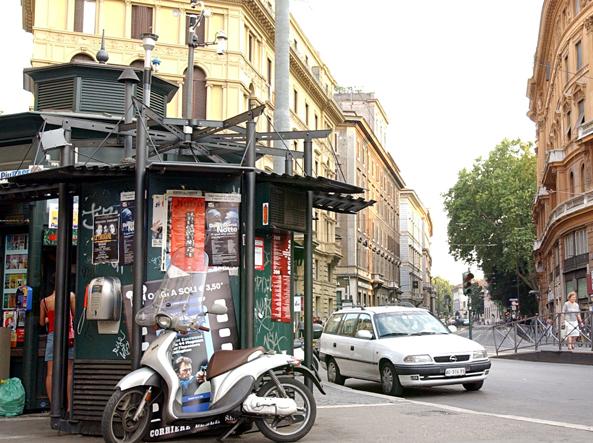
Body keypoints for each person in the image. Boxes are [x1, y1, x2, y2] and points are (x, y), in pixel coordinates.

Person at [39, 280, 76, 408]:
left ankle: (53, 405)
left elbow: (42, 322)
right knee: (70, 372)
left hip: (52, 336)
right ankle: (70, 406)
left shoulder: (44, 301)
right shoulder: (70, 296)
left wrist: (51, 317)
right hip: (68, 335)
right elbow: (75, 316)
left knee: (50, 372)